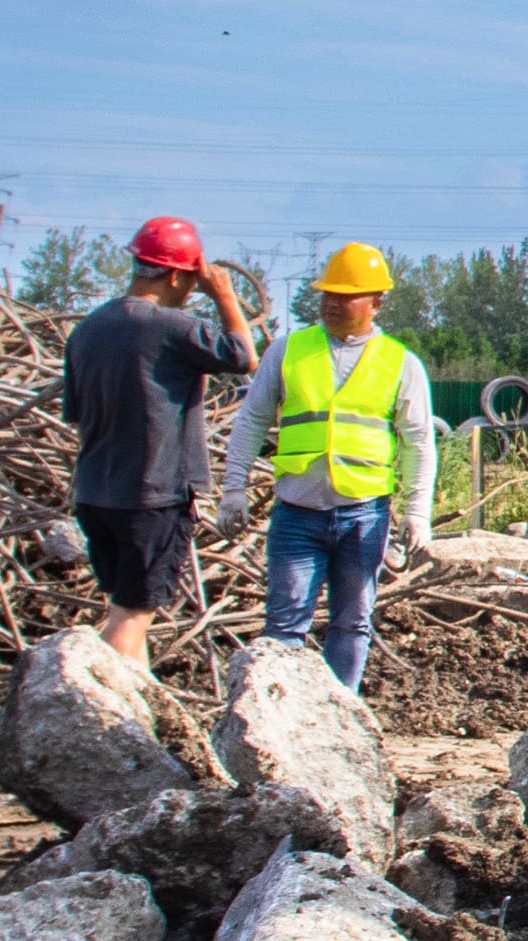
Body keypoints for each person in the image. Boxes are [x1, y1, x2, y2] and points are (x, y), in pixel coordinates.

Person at [217, 241, 435, 691]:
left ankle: (342, 715)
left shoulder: (401, 363)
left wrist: (417, 512)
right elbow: (252, 420)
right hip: (297, 511)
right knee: (284, 625)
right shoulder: (289, 350)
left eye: (345, 295)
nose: (332, 303)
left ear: (376, 301)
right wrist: (233, 488)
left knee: (353, 622)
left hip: (364, 512)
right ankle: (283, 721)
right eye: (327, 294)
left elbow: (418, 443)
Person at [59, 216, 259, 673]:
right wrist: (224, 294)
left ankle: (137, 721)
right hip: (151, 498)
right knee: (134, 615)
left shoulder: (87, 330)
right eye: (191, 279)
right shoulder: (172, 326)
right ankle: (92, 711)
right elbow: (243, 357)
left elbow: (76, 416)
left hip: (95, 495)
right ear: (175, 275)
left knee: (124, 606)